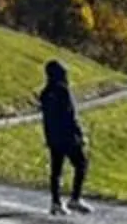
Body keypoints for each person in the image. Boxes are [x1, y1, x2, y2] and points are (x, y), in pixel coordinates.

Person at [38, 59, 89, 214]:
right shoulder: (63, 91)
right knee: (81, 164)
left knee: (56, 170)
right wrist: (79, 134)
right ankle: (75, 198)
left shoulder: (45, 93)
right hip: (68, 136)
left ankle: (56, 202)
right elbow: (70, 115)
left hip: (53, 136)